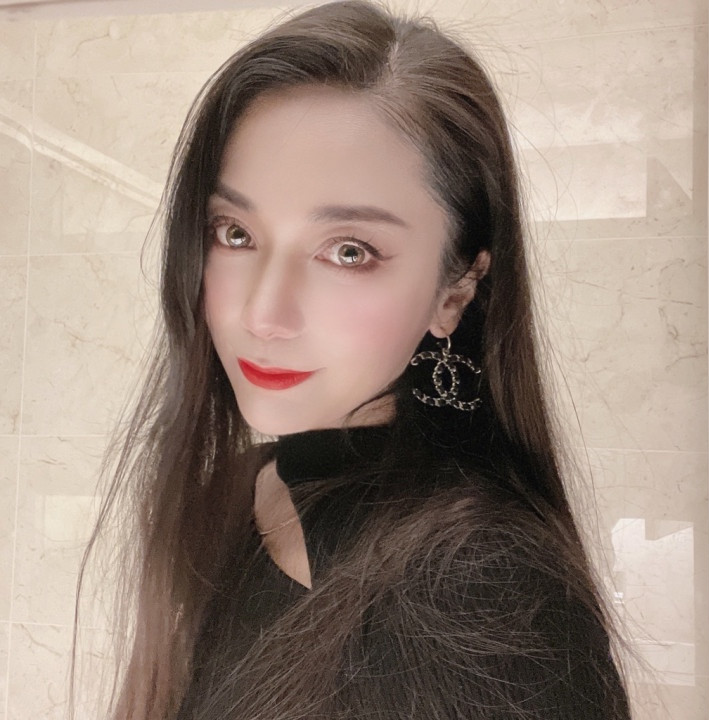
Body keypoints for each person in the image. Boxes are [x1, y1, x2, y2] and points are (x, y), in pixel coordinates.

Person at [76, 1, 633, 718]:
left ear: (455, 291)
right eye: (236, 233)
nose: (263, 315)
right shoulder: (235, 490)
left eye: (348, 251)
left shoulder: (484, 594)